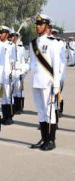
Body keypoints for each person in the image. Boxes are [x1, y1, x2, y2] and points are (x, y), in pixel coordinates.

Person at [28, 14, 64, 151]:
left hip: (48, 83)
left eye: (41, 24)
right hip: (36, 81)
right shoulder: (33, 43)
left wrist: (56, 84)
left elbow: (57, 65)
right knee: (41, 111)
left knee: (50, 112)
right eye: (37, 24)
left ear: (47, 26)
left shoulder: (53, 43)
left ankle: (51, 140)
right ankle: (44, 138)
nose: (38, 26)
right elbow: (32, 63)